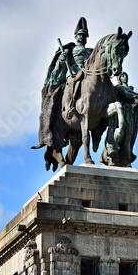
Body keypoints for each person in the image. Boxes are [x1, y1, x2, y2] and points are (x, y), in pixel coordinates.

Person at [32, 18, 93, 169]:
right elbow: (57, 70)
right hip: (71, 77)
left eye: (84, 36)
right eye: (80, 35)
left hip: (87, 79)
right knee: (73, 83)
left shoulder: (91, 52)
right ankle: (71, 106)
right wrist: (62, 60)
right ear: (75, 36)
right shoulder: (69, 50)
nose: (82, 38)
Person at [101, 72, 138, 167]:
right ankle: (115, 157)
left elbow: (137, 104)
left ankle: (127, 159)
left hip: (133, 116)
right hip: (123, 114)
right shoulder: (119, 87)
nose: (125, 77)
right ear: (120, 78)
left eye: (126, 76)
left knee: (130, 137)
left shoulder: (133, 91)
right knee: (124, 136)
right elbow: (127, 96)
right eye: (123, 76)